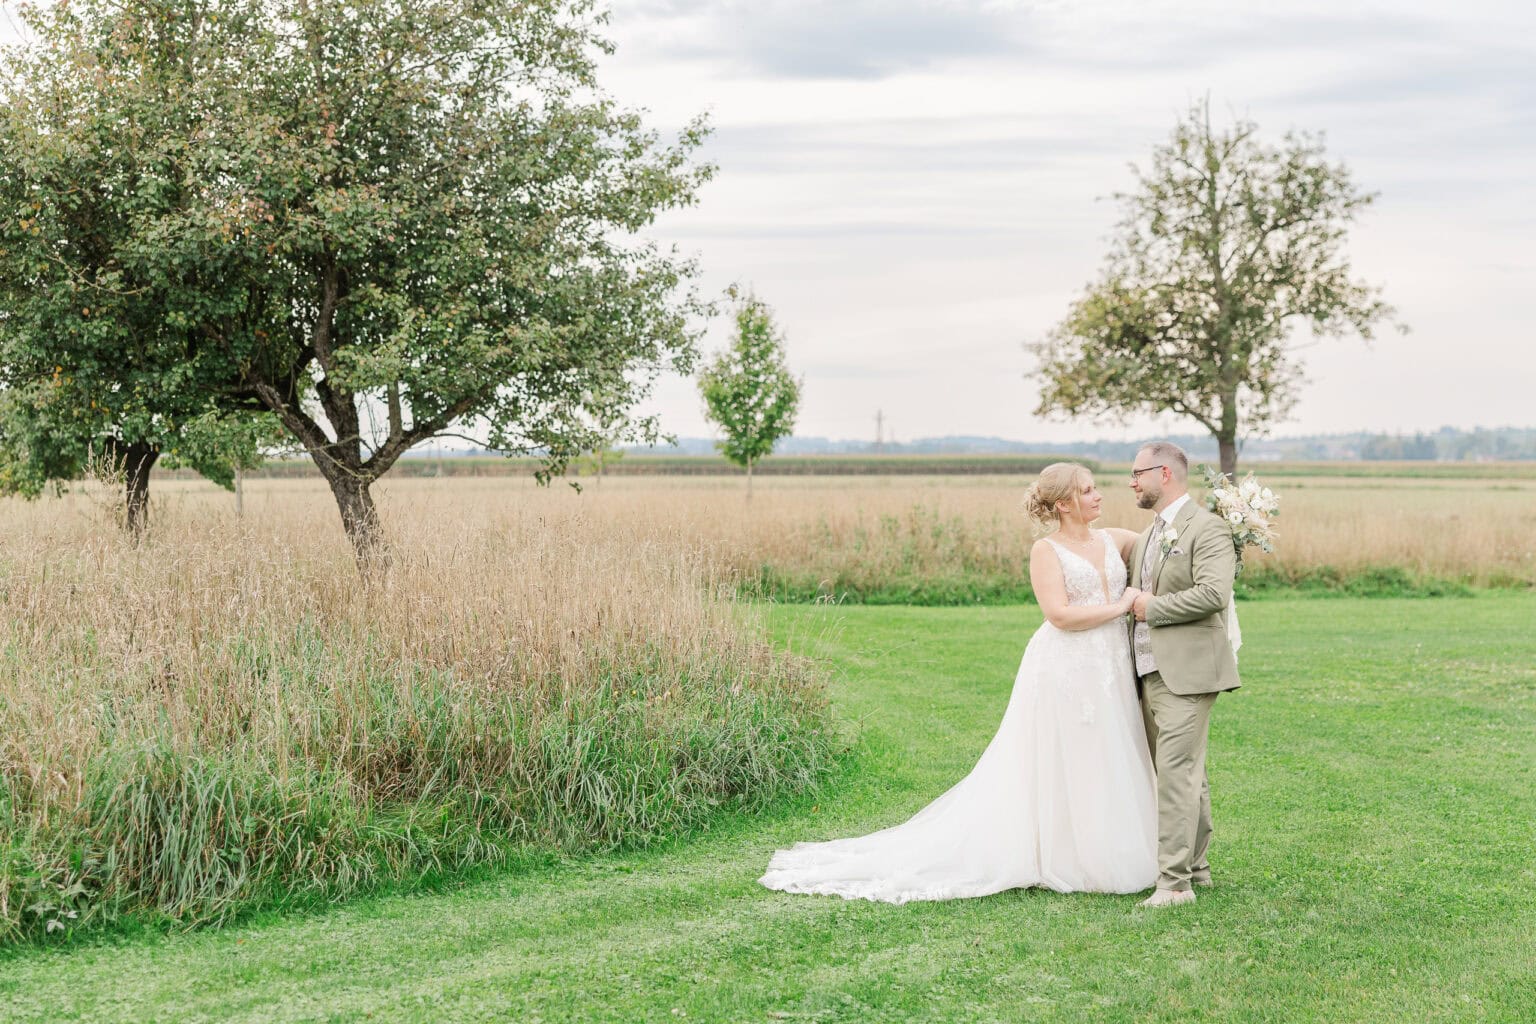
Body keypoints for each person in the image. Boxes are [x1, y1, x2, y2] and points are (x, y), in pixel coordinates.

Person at [759, 463, 1158, 902]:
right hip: (1066, 665)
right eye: (1088, 490)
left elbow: (1166, 549)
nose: (1099, 495)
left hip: (1110, 664)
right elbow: (1059, 615)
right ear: (1063, 504)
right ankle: (1066, 855)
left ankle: (1113, 845)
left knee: (1110, 748)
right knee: (1067, 754)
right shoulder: (1047, 551)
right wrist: (1122, 606)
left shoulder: (1115, 539)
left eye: (1096, 487)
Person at [1127, 441, 1241, 908]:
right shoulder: (1151, 532)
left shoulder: (1206, 529)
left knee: (1176, 773)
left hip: (1188, 671)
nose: (1132, 482)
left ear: (1165, 474)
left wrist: (1153, 608)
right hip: (1149, 671)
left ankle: (1174, 885)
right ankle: (1198, 867)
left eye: (1137, 473)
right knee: (1187, 773)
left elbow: (1214, 593)